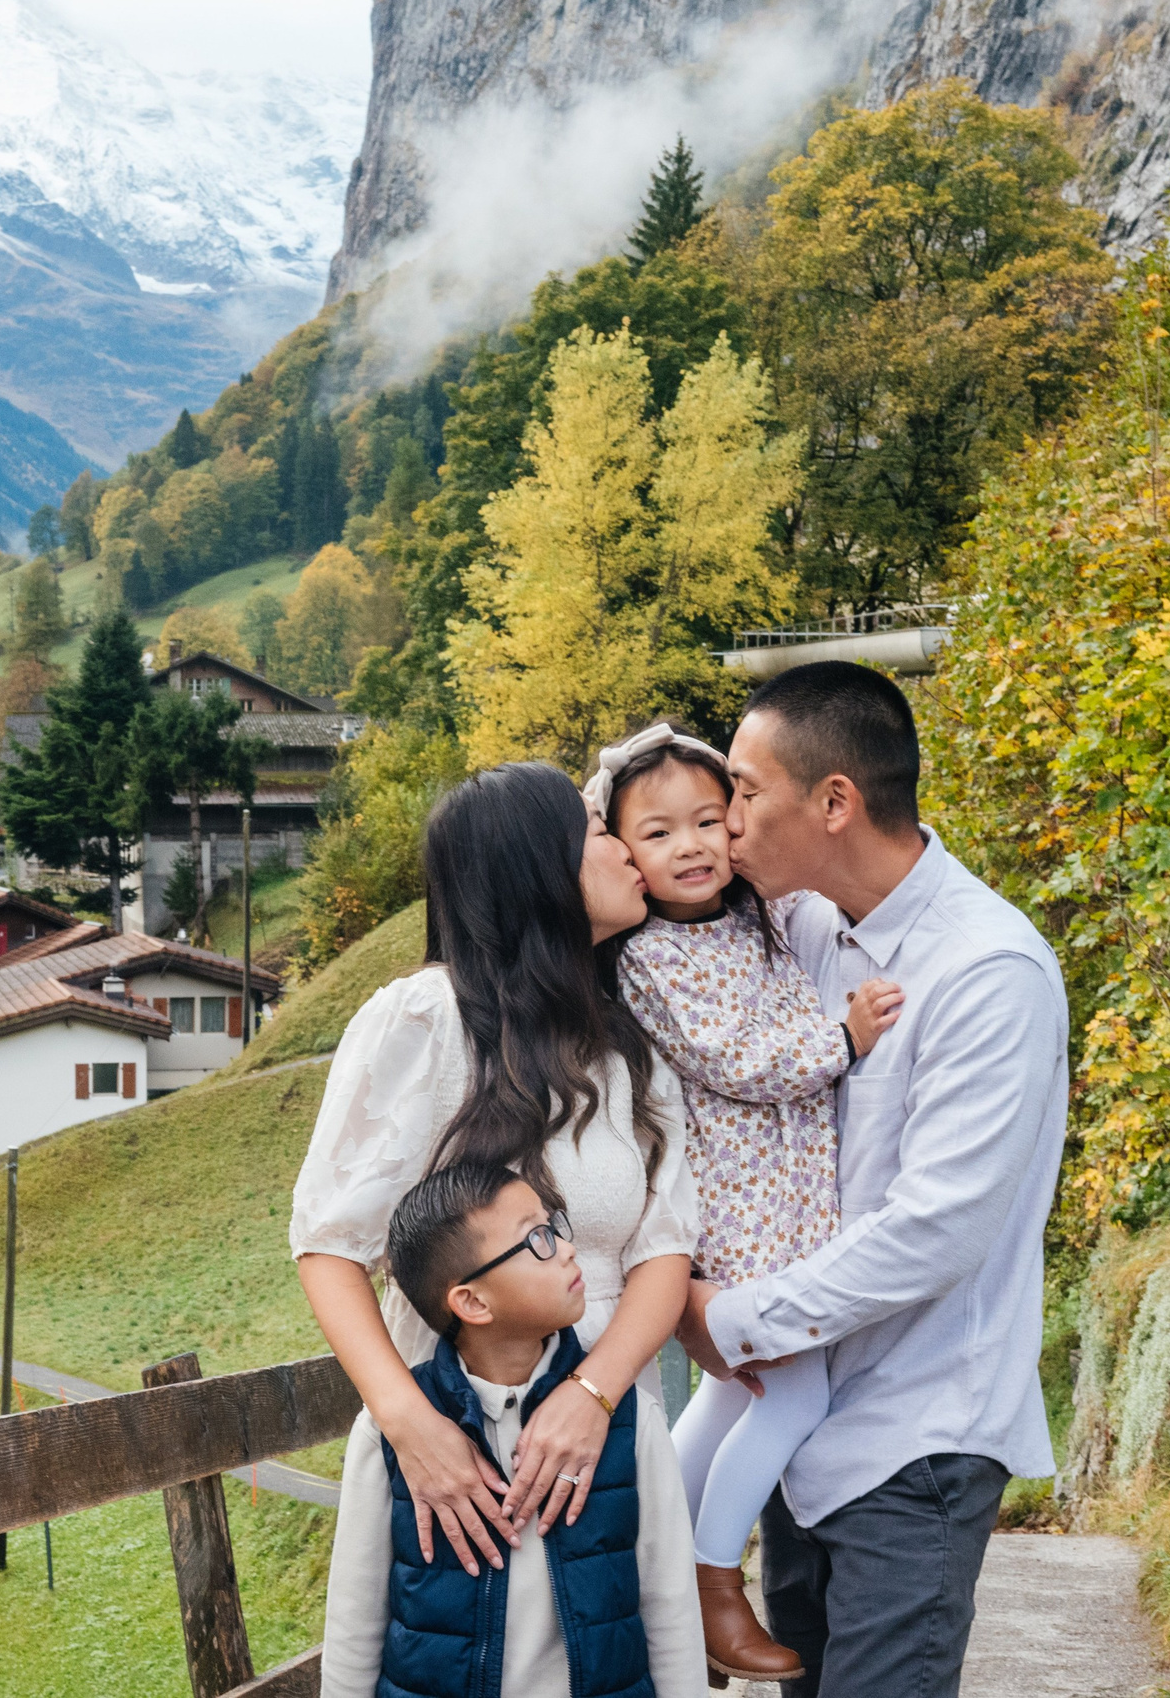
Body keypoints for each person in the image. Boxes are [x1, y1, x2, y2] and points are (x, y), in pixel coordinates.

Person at [675, 661, 1069, 1697]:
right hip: (794, 1429)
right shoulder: (794, 929)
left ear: (835, 801)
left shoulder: (989, 972)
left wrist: (732, 1318)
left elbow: (935, 1227)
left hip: (914, 1435)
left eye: (745, 795)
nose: (724, 821)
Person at [291, 759, 699, 1583]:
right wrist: (410, 1424)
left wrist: (592, 1397)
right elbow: (330, 1243)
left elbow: (665, 1246)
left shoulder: (627, 1049)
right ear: (537, 869)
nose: (626, 849)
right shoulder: (427, 1018)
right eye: (596, 832)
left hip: (611, 1432)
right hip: (458, 1450)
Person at [586, 722, 901, 1685]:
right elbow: (739, 1058)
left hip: (788, 1190)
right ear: (622, 855)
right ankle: (715, 1577)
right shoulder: (647, 957)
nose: (690, 847)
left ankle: (660, 1575)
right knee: (794, 1387)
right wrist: (841, 1041)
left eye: (710, 821)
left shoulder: (754, 910)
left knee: (737, 1388)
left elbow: (837, 861)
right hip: (736, 1201)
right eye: (657, 833)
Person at [321, 1161, 706, 1698]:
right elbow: (354, 1620)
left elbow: (671, 1605)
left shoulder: (630, 1419)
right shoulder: (390, 1434)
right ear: (473, 1302)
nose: (568, 1248)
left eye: (555, 1226)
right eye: (538, 1239)